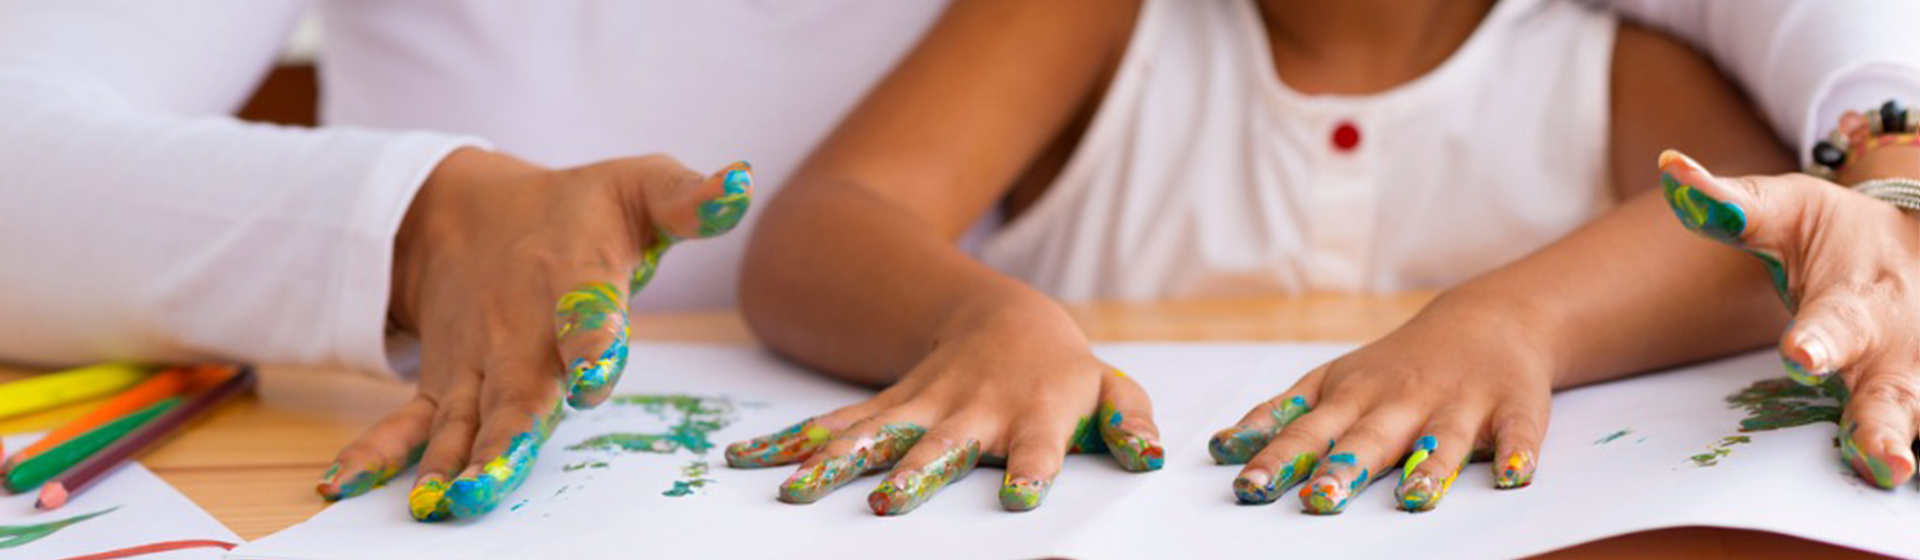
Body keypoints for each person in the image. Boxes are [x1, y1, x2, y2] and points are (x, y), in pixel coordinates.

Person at [727, 0, 1920, 518]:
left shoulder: (1607, 63)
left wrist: (1517, 322)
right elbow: (818, 225)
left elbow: (1772, 233)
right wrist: (977, 319)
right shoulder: (1090, 21)